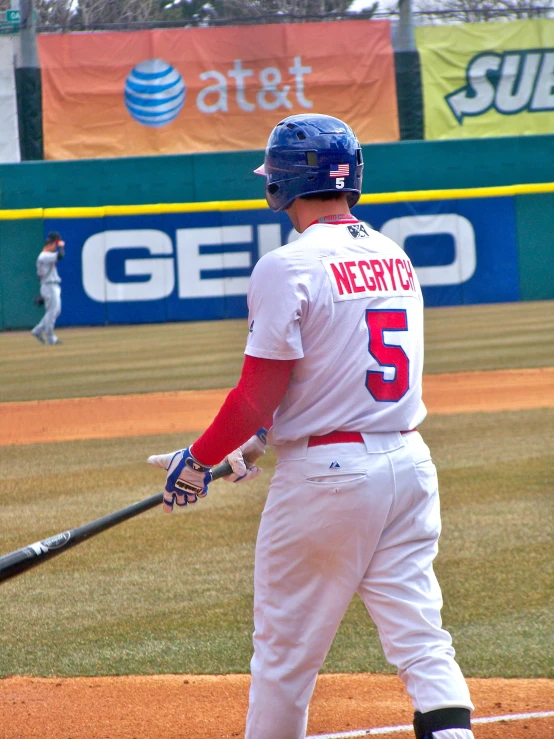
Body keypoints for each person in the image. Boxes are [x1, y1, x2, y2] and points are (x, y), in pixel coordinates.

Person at [148, 114, 475, 739]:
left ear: (281, 185)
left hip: (327, 479)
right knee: (423, 643)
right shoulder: (393, 255)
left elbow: (254, 396)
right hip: (408, 466)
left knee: (283, 663)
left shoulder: (287, 265)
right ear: (352, 178)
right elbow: (326, 377)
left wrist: (195, 461)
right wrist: (258, 441)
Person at [31, 231, 65, 345]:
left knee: (55, 311)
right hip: (49, 285)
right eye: (54, 245)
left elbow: (39, 276)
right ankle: (50, 338)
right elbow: (60, 255)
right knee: (52, 312)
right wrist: (60, 245)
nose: (55, 247)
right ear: (49, 245)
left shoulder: (44, 256)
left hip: (49, 285)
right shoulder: (44, 256)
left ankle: (38, 330)